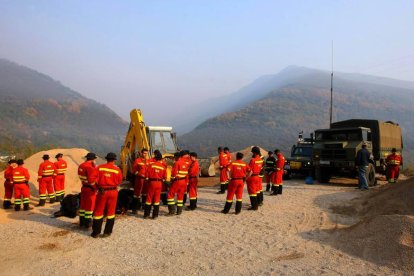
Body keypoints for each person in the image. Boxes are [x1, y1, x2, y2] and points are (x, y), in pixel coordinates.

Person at [91, 152, 122, 238]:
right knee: (111, 212)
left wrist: (96, 187)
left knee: (98, 211)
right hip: (113, 192)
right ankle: (107, 232)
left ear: (106, 159)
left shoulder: (100, 168)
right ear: (114, 160)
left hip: (102, 191)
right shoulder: (117, 169)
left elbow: (91, 178)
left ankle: (96, 232)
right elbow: (120, 181)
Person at [144, 150, 167, 219]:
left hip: (152, 182)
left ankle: (146, 214)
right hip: (159, 183)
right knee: (157, 199)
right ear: (161, 159)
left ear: (155, 158)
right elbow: (165, 177)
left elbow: (147, 175)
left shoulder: (151, 165)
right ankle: (155, 215)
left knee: (149, 198)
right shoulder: (163, 167)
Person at [78, 152, 98, 228]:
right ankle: (88, 223)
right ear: (93, 159)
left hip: (84, 187)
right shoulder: (90, 167)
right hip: (90, 188)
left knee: (83, 205)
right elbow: (91, 180)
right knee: (90, 206)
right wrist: (94, 187)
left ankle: (82, 222)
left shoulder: (81, 165)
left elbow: (81, 176)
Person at [167, 150, 190, 216]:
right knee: (180, 196)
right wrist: (186, 182)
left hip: (177, 181)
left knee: (170, 195)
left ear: (178, 157)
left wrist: (171, 179)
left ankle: (172, 211)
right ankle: (179, 211)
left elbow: (174, 174)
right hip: (183, 181)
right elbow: (187, 174)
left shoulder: (177, 163)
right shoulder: (186, 163)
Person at [131, 148, 150, 213]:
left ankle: (143, 206)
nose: (145, 154)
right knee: (137, 194)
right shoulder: (137, 161)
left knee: (145, 194)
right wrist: (139, 175)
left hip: (146, 181)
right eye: (144, 153)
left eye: (146, 153)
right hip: (139, 180)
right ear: (141, 153)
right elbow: (134, 171)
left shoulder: (148, 161)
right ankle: (134, 209)